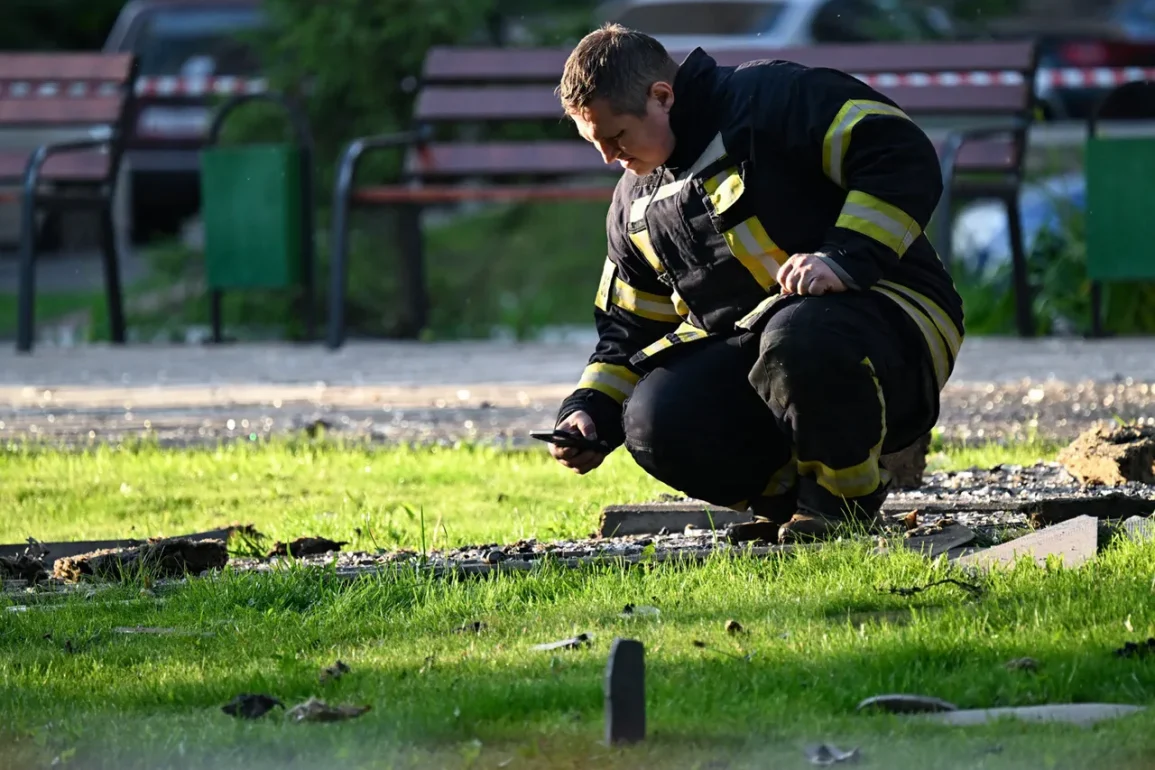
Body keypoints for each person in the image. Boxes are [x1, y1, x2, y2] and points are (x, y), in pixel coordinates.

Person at [547, 24, 965, 544]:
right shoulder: (632, 205)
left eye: (617, 137)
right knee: (654, 419)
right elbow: (628, 329)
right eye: (596, 143)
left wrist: (843, 258)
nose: (610, 158)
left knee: (798, 338)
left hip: (897, 321)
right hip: (772, 356)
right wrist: (589, 410)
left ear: (662, 97)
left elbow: (897, 151)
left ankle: (842, 505)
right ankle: (798, 507)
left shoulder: (774, 98)